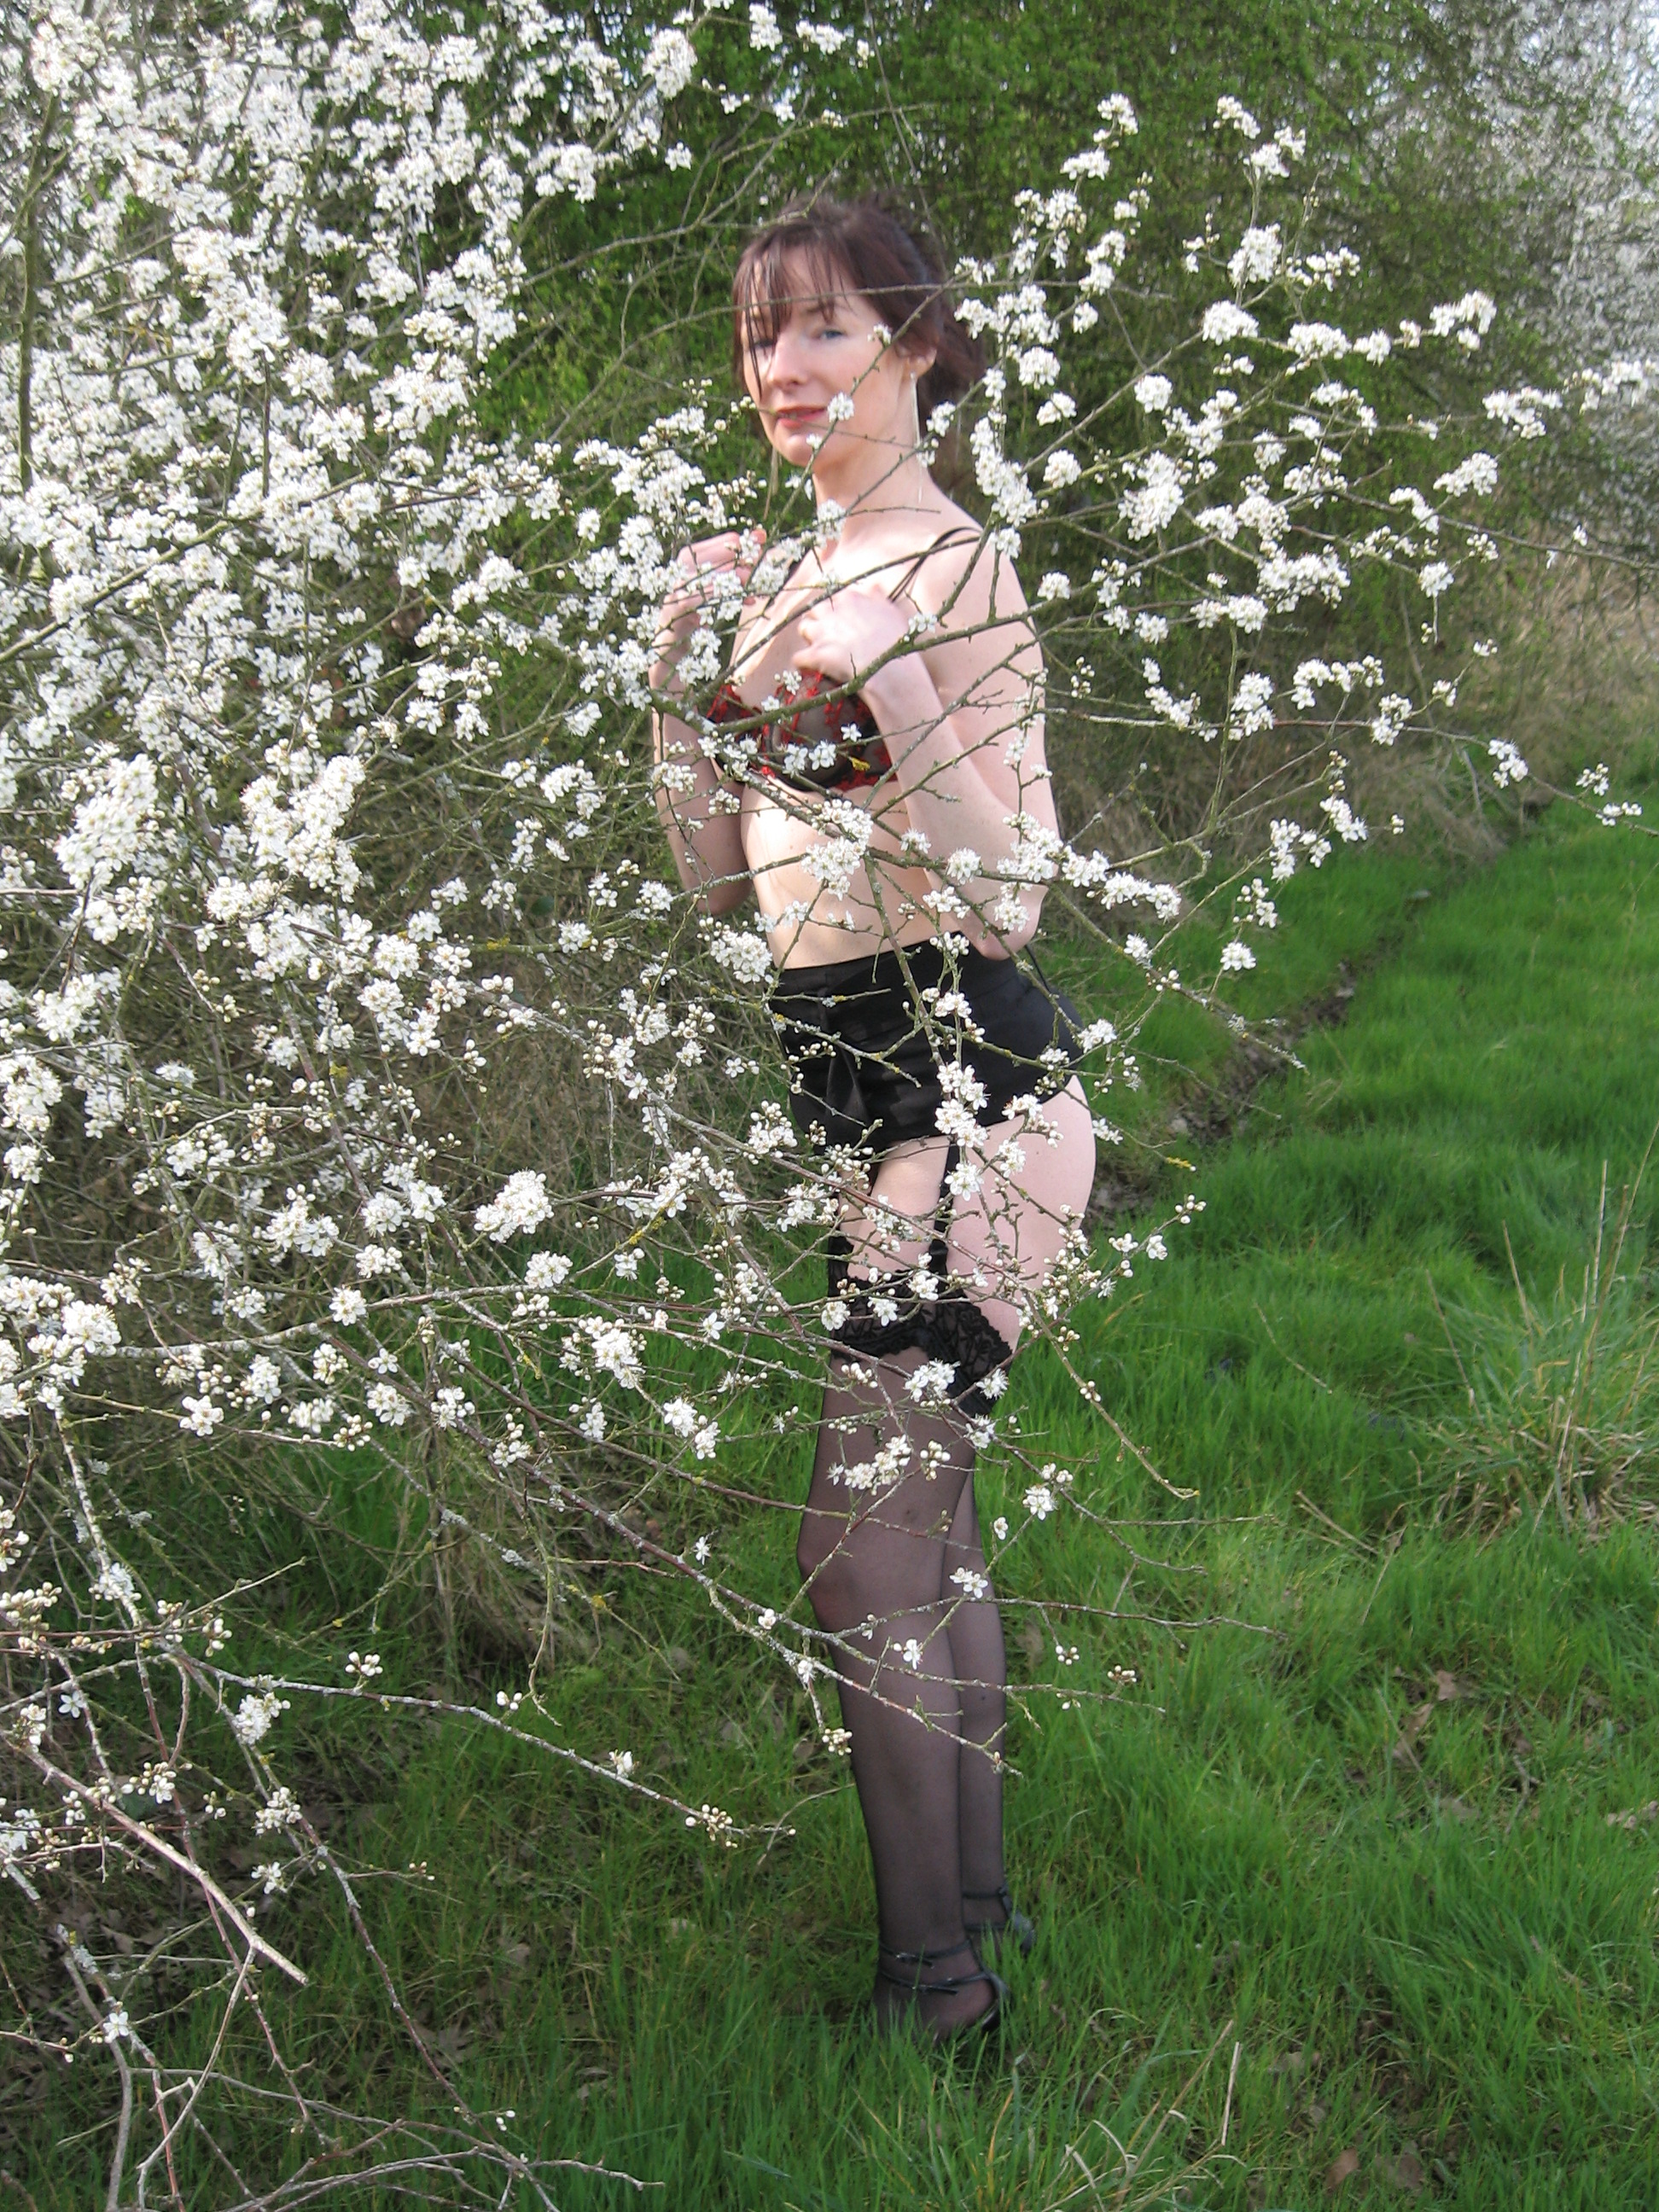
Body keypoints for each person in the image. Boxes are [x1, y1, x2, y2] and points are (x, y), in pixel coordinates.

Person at [649, 195, 1096, 2039]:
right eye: (762, 334)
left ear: (915, 347)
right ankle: (976, 1914)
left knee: (857, 1552)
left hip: (970, 1097)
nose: (784, 367)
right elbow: (720, 884)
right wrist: (678, 691)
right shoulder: (774, 576)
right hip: (858, 1099)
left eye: (825, 327)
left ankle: (935, 1989)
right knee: (926, 1525)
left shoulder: (955, 571)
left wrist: (897, 680)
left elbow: (1014, 898)